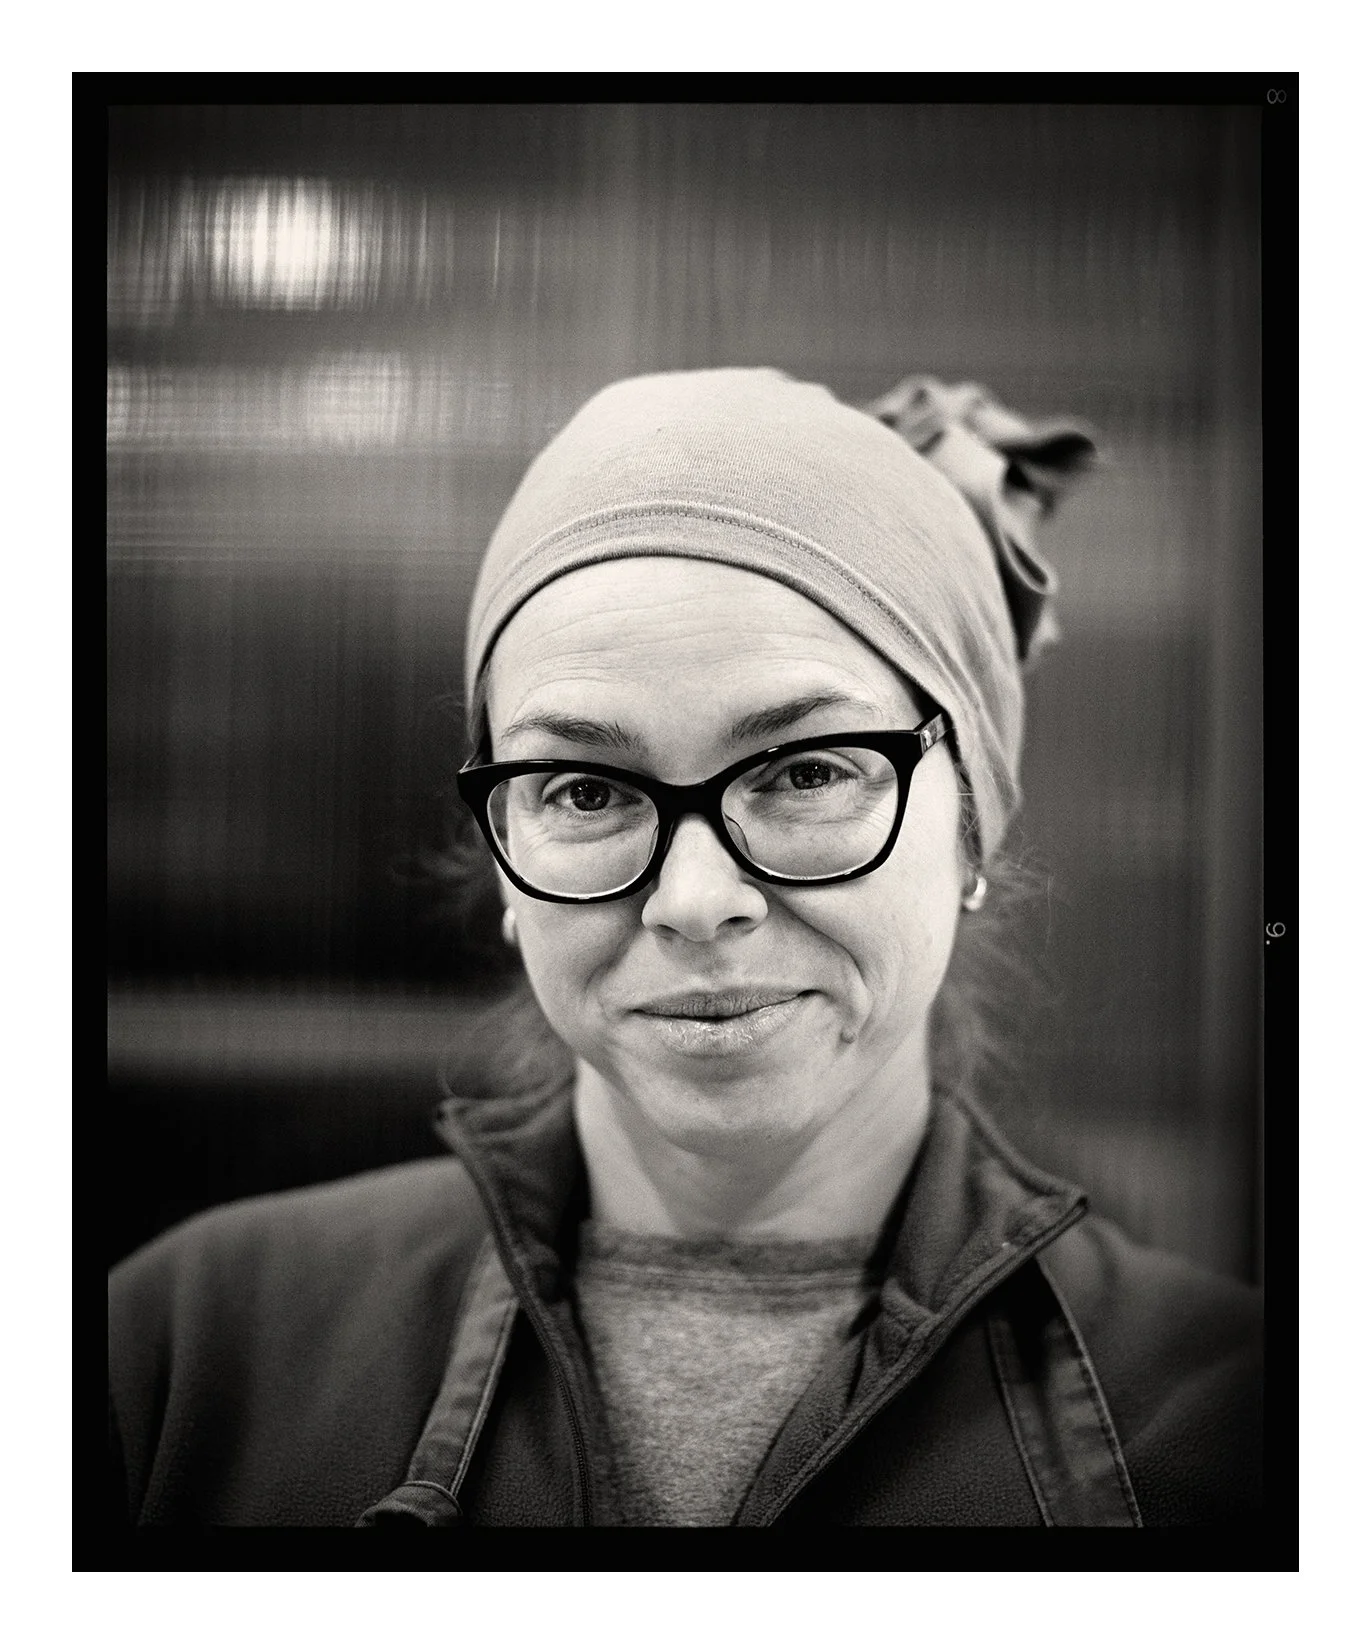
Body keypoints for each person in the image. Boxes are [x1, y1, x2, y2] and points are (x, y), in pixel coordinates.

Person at [107, 368, 1262, 1529]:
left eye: (807, 772)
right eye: (585, 789)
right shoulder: (184, 1353)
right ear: (504, 860)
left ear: (971, 826)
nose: (695, 901)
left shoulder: (1238, 1426)